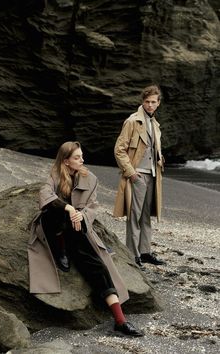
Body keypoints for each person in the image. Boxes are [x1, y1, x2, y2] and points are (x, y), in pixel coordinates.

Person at [28, 141, 144, 337]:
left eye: (81, 156)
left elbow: (92, 206)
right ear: (65, 161)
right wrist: (69, 208)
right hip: (53, 227)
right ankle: (60, 248)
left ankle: (120, 321)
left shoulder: (90, 179)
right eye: (77, 157)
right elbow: (45, 196)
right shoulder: (55, 176)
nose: (82, 160)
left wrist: (81, 215)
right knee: (54, 212)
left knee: (97, 266)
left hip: (77, 228)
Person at [113, 85, 165, 267]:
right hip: (137, 175)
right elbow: (119, 150)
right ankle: (132, 254)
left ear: (158, 104)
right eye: (147, 102)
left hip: (152, 175)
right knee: (134, 216)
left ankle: (145, 252)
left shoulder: (155, 124)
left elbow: (153, 149)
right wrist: (131, 173)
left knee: (145, 217)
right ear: (142, 102)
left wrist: (160, 161)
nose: (150, 105)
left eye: (153, 102)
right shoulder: (132, 121)